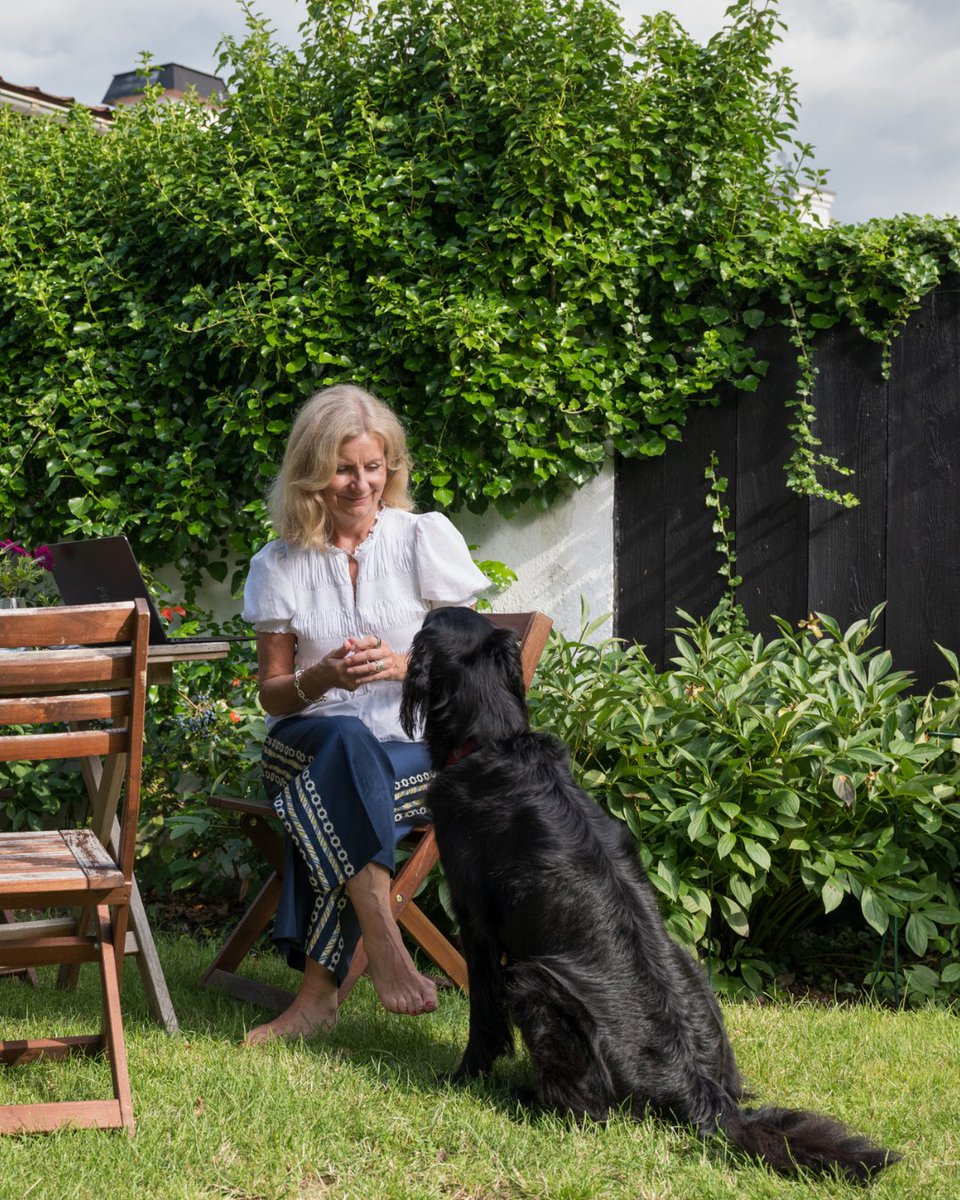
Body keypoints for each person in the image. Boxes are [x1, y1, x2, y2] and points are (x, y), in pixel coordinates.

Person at [241, 383, 489, 1045]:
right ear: (312, 474)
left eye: (373, 467)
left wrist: (405, 667)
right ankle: (383, 936)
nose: (360, 484)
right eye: (343, 469)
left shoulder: (421, 541)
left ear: (391, 468)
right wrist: (320, 677)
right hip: (303, 740)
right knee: (343, 743)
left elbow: (474, 668)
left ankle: (317, 999)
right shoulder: (279, 563)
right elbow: (271, 694)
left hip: (412, 750)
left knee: (334, 790)